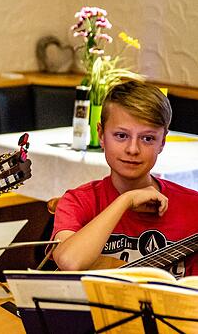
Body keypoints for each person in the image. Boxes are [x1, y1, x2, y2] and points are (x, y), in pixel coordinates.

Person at [52, 80, 198, 276]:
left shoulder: (192, 206)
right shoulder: (78, 201)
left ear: (162, 142)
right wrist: (125, 201)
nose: (132, 149)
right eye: (121, 135)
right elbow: (70, 261)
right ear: (101, 135)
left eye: (147, 138)